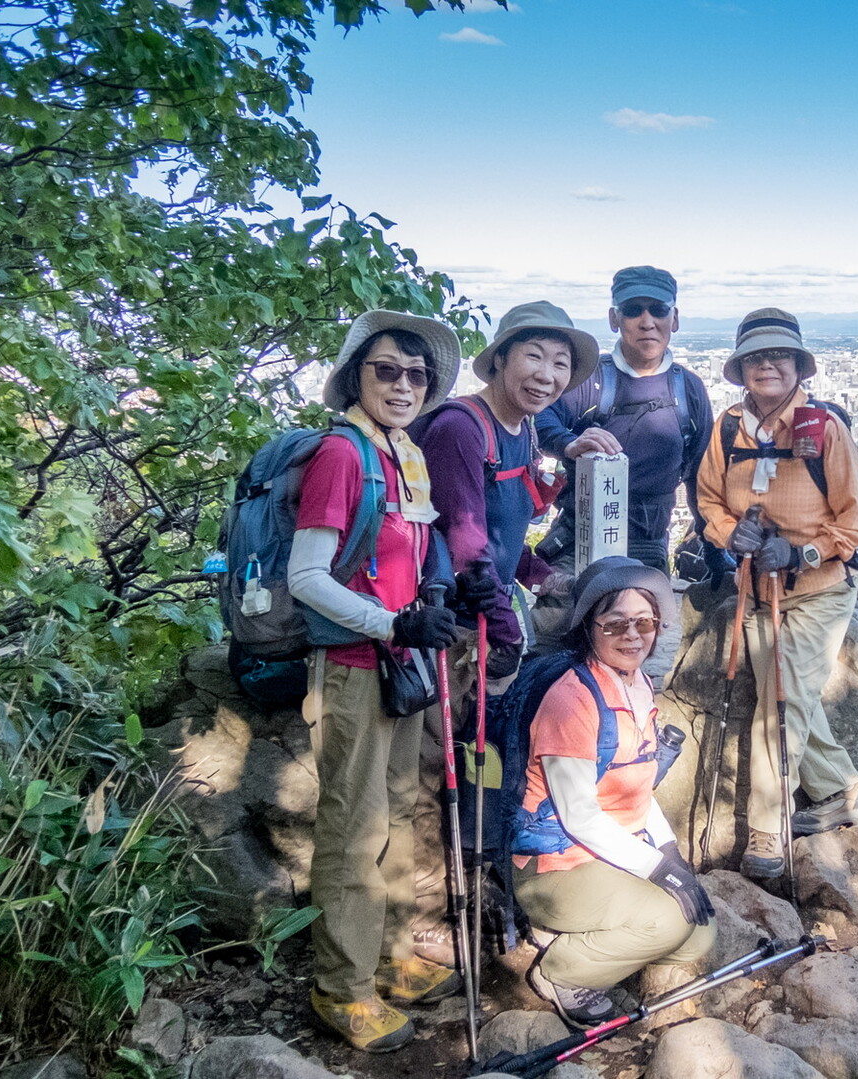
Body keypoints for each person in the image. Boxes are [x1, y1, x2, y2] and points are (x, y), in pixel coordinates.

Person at [288, 310, 468, 1052]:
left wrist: (429, 598)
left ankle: (389, 960)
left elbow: (401, 552)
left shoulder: (400, 453)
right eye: (386, 369)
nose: (403, 384)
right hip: (358, 666)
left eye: (416, 374)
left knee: (395, 814)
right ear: (356, 375)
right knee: (354, 828)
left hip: (398, 663)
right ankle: (343, 988)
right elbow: (306, 576)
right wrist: (393, 624)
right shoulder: (342, 454)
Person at [408, 302, 600, 965]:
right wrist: (499, 615)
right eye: (534, 356)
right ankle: (427, 919)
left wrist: (536, 570)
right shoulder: (463, 427)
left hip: (481, 624)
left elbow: (500, 525)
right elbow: (458, 533)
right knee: (438, 770)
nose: (546, 374)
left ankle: (475, 894)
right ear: (501, 359)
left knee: (479, 763)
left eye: (560, 363)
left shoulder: (516, 431)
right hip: (450, 631)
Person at [695, 308, 858, 881]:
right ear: (740, 369)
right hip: (756, 587)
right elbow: (707, 501)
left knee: (778, 707)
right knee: (789, 695)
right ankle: (846, 794)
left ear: (799, 367)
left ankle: (767, 833)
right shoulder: (729, 429)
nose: (766, 365)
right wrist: (732, 534)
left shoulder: (824, 430)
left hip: (818, 589)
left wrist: (802, 552)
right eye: (754, 357)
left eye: (778, 356)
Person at [511, 557, 716, 1028]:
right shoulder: (572, 698)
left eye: (644, 622)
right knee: (669, 922)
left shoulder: (637, 684)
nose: (633, 635)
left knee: (698, 933)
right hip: (554, 864)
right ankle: (560, 969)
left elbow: (640, 785)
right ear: (588, 627)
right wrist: (657, 868)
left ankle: (591, 944)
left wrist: (669, 852)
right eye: (615, 623)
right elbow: (579, 816)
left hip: (610, 853)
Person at [536, 266, 713, 574]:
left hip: (648, 542)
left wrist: (711, 544)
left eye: (658, 310)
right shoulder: (591, 380)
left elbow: (702, 473)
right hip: (580, 538)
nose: (647, 322)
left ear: (675, 318)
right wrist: (569, 443)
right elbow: (540, 417)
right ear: (614, 319)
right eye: (633, 310)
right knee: (560, 616)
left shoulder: (689, 389)